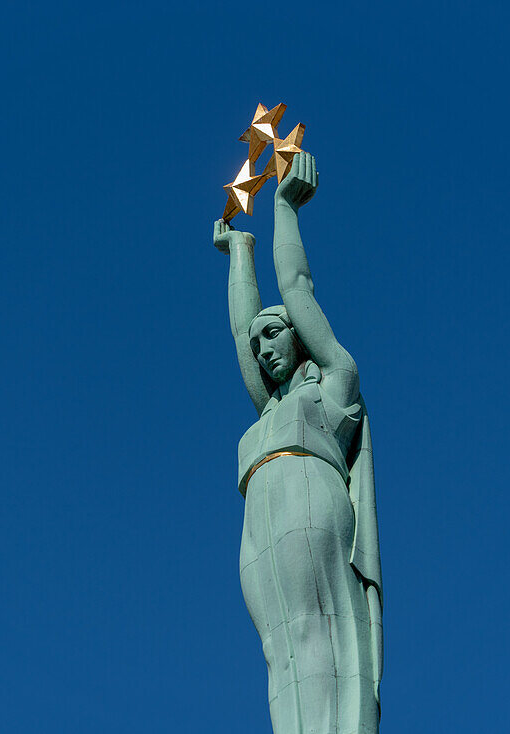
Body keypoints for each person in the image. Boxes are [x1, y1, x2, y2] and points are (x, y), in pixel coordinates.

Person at [213, 152, 383, 734]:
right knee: (278, 654)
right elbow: (240, 333)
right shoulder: (270, 413)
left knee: (316, 633)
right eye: (259, 340)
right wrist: (240, 253)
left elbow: (298, 286)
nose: (262, 348)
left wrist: (284, 209)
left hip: (309, 503)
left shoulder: (334, 387)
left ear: (302, 337)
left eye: (275, 332)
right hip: (259, 526)